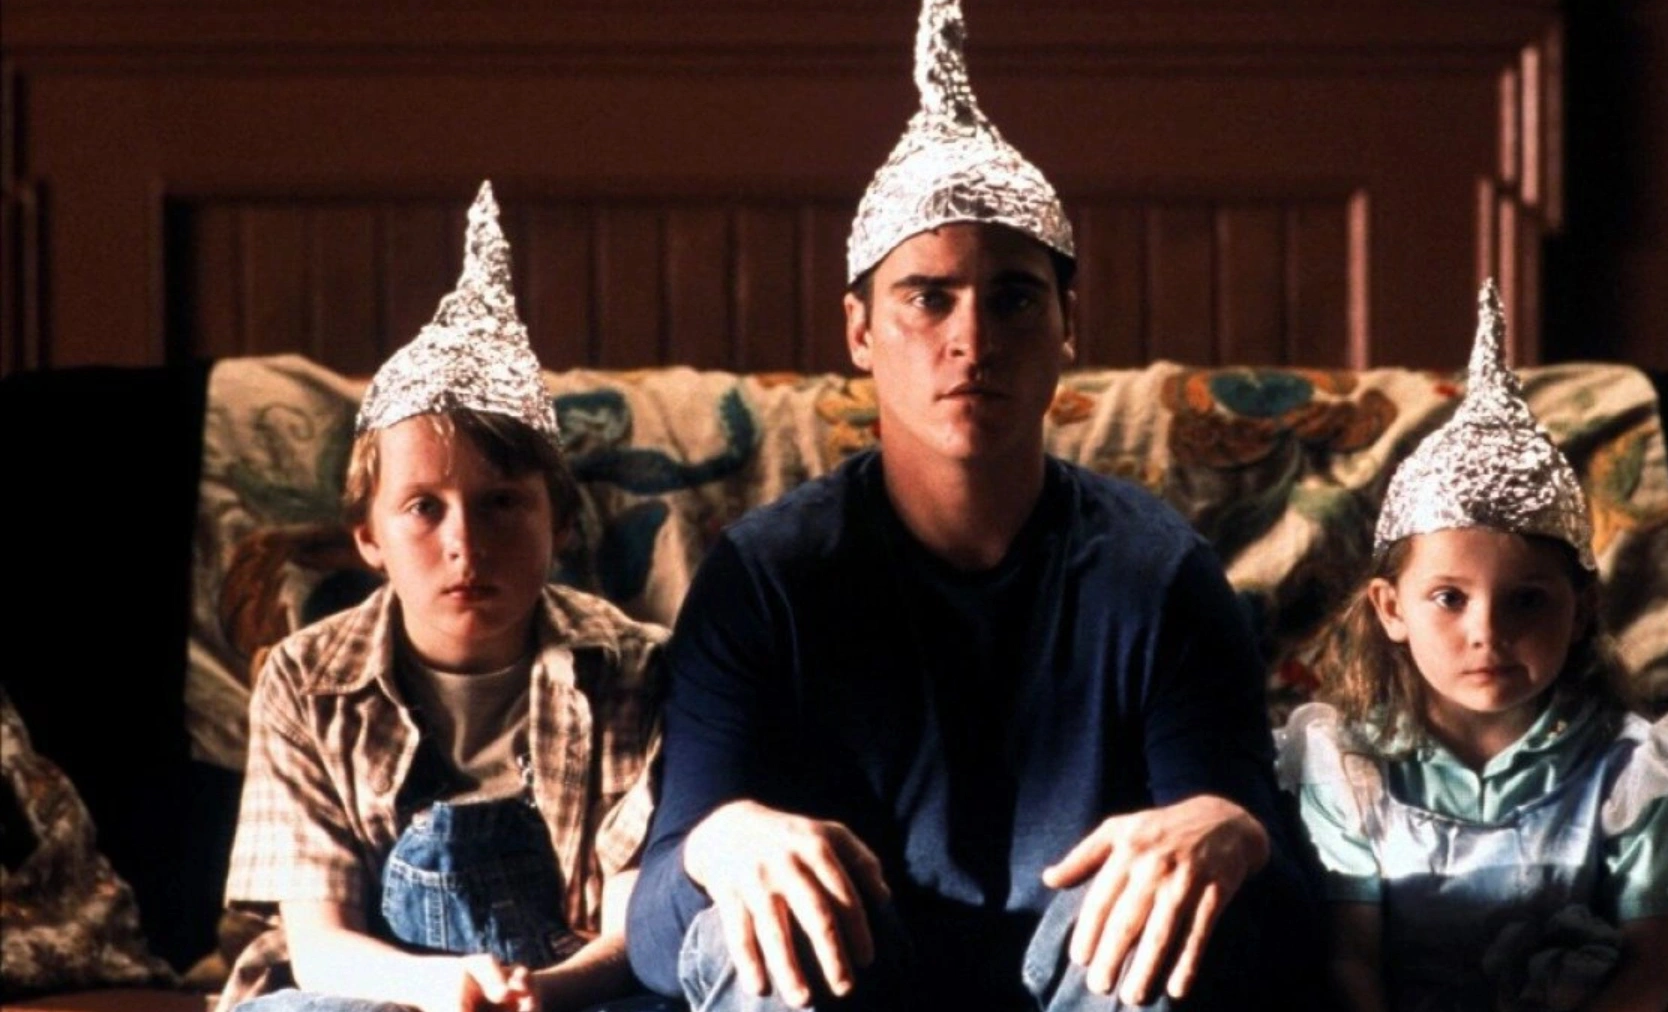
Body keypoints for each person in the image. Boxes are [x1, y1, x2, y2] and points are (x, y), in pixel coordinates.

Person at [625, 2, 1323, 1009]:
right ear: (859, 330)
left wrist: (1234, 830)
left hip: (1088, 982)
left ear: (1067, 324)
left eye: (1013, 298)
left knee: (1182, 914)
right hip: (854, 982)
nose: (972, 339)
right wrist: (718, 842)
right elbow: (657, 938)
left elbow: (1294, 925)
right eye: (927, 297)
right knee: (749, 926)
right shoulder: (766, 576)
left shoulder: (1158, 573)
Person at [219, 182, 676, 1012]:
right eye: (424, 508)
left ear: (560, 522)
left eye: (501, 503)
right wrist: (446, 987)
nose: (467, 543)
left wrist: (536, 994)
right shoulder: (304, 680)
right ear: (369, 538)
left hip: (566, 988)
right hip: (375, 986)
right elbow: (321, 944)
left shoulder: (634, 668)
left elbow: (628, 929)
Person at [1277, 280, 1668, 1012]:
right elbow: (1351, 960)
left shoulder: (1632, 770)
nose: (1488, 630)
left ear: (1580, 613)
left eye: (1527, 600)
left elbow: (1647, 973)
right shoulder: (1347, 767)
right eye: (1449, 598)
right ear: (1391, 609)